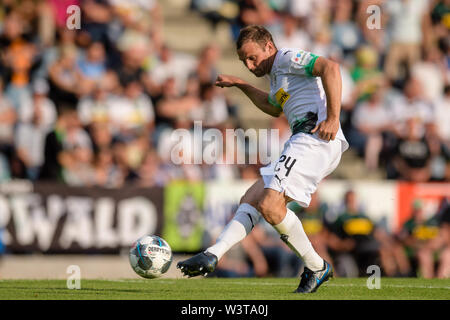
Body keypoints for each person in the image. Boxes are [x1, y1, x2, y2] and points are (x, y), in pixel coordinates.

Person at [177, 25, 349, 293]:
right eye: (243, 61)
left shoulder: (287, 58)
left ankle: (316, 266)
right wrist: (241, 84)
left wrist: (334, 118)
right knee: (251, 200)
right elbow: (272, 106)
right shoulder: (278, 76)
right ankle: (213, 253)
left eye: (252, 57)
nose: (248, 64)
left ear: (269, 46)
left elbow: (331, 68)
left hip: (314, 138)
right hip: (304, 142)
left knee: (269, 205)